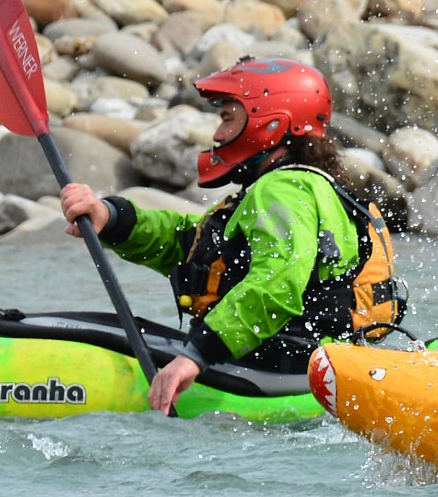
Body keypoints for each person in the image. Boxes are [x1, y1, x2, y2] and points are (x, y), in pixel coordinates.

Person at [57, 57, 405, 415]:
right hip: (297, 362)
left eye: (227, 118)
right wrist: (112, 219)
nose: (218, 135)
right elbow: (190, 247)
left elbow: (277, 284)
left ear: (271, 122)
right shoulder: (302, 186)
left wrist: (194, 357)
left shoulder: (282, 190)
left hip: (274, 372)